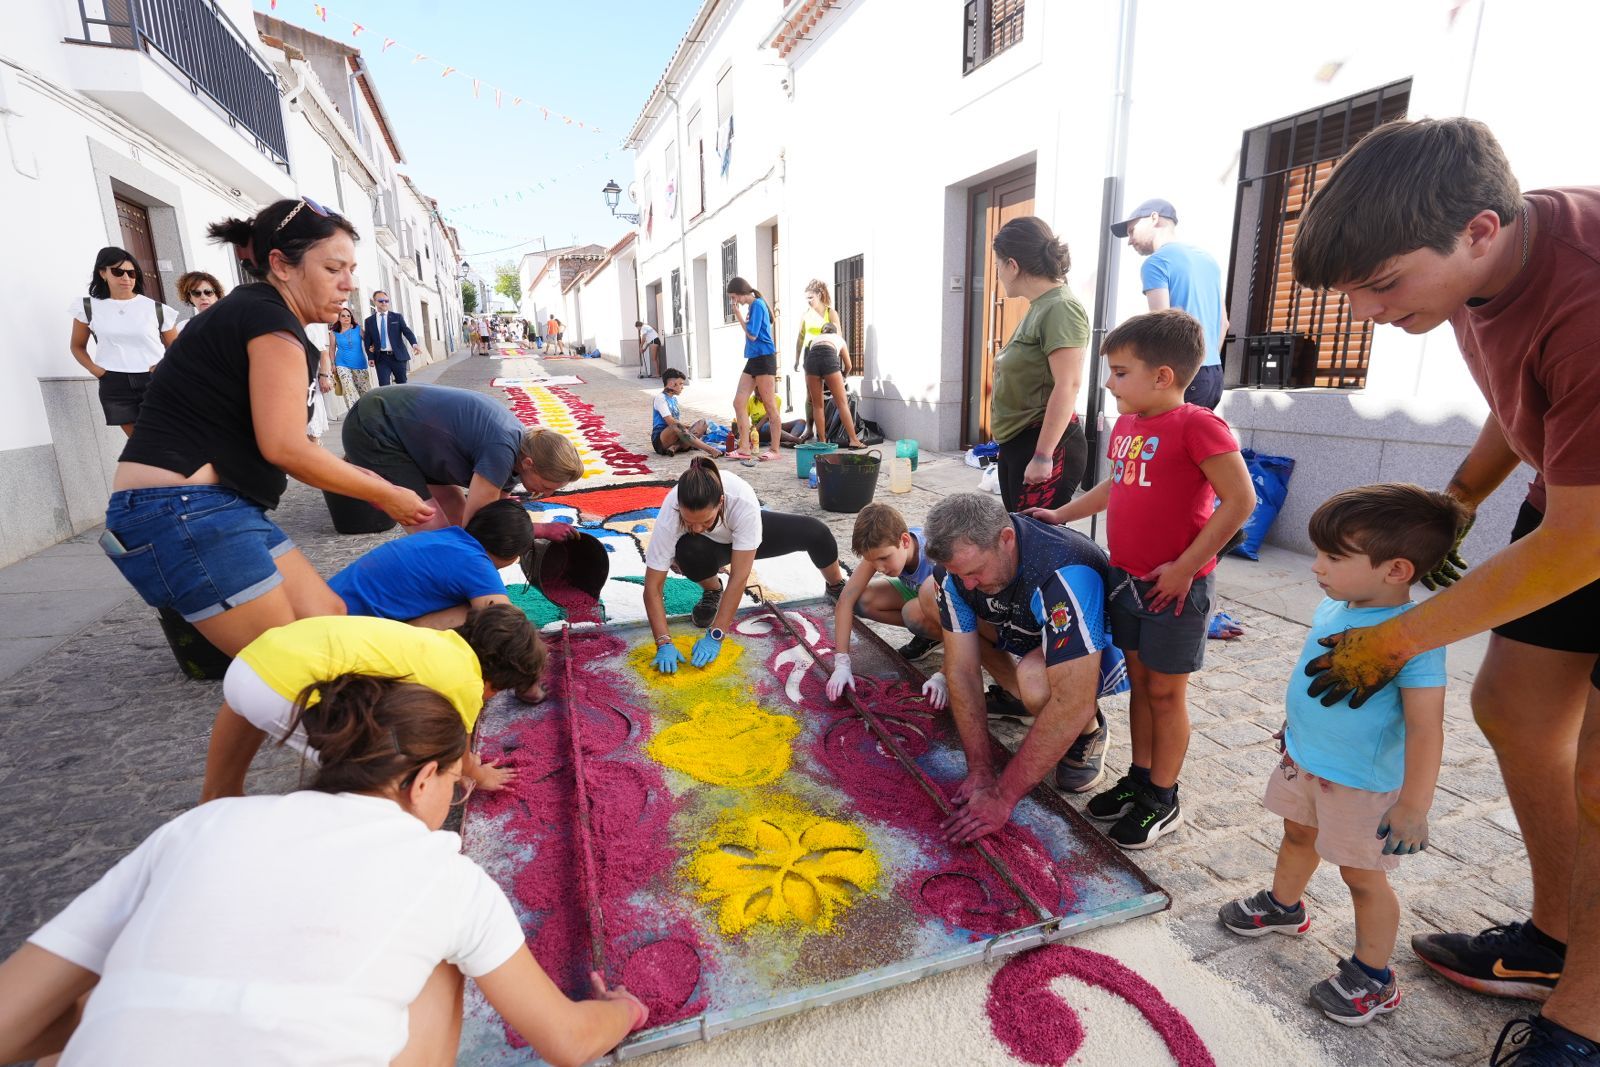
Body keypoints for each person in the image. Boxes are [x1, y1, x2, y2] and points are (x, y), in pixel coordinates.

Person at [1291, 118, 1600, 1061]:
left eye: (1383, 285)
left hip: (1589, 519)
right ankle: (1555, 939)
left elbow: (1584, 542)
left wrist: (1396, 638)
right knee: (1514, 707)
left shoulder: (1590, 298)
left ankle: (1583, 1023)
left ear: (1479, 230)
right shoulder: (1476, 273)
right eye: (1354, 293)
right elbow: (1529, 392)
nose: (1368, 313)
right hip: (1575, 497)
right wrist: (1459, 499)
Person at [0, 674, 646, 1067]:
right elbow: (566, 1041)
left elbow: (10, 1022)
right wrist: (621, 1010)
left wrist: (127, 1016)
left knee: (98, 991)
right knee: (441, 960)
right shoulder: (442, 876)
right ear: (423, 778)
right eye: (455, 783)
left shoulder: (202, 826)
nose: (453, 797)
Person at [101, 198, 434, 660]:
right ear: (280, 265)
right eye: (333, 268)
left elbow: (281, 441)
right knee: (300, 664)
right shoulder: (269, 321)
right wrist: (387, 495)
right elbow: (286, 448)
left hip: (211, 505)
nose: (349, 284)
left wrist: (373, 481)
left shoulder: (258, 313)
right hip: (182, 508)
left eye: (351, 269)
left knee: (328, 617)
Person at [1218, 485, 1462, 1026]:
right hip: (1305, 761)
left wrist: (1414, 806)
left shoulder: (1416, 640)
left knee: (1362, 876)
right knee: (1296, 834)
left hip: (1360, 785)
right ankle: (1284, 906)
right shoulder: (1335, 606)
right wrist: (1296, 729)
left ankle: (1374, 976)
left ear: (1396, 570)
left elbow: (1427, 729)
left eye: (1333, 556)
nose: (1316, 566)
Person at [1029, 310, 1254, 849]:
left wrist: (1184, 568)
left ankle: (1164, 796)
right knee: (1140, 687)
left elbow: (1240, 501)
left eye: (1120, 372)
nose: (1109, 383)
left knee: (1166, 694)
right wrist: (1062, 514)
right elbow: (1116, 486)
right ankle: (1140, 777)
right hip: (1125, 580)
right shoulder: (1129, 425)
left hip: (1176, 589)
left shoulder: (1199, 425)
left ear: (1163, 376)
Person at [906, 492, 1129, 842]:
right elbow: (962, 670)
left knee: (1037, 684)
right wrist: (980, 770)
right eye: (960, 574)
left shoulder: (1063, 570)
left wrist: (1001, 796)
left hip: (1100, 644)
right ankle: (1020, 698)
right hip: (1030, 627)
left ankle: (1090, 730)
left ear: (1006, 539)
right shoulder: (959, 573)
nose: (968, 583)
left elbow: (1072, 701)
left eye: (975, 571)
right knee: (930, 596)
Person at [200, 604, 544, 801]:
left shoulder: (435, 640)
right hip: (280, 692)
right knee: (369, 771)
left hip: (250, 662)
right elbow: (459, 752)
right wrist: (477, 774)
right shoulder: (467, 681)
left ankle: (219, 793)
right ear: (496, 681)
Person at [645, 458, 846, 672]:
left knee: (817, 533)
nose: (696, 528)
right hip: (706, 548)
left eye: (705, 521)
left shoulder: (741, 500)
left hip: (742, 535)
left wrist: (716, 635)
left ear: (721, 502)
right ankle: (712, 590)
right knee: (687, 550)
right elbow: (653, 587)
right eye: (689, 522)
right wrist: (663, 642)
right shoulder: (671, 512)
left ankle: (836, 587)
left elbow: (739, 576)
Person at [342, 384, 584, 532]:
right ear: (529, 464)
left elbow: (492, 508)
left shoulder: (521, 449)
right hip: (374, 427)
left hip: (412, 440)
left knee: (455, 516)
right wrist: (538, 530)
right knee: (431, 525)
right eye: (547, 485)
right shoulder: (502, 449)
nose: (548, 494)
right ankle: (444, 589)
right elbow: (480, 522)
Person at [987, 217, 1090, 513]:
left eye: (997, 266)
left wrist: (1043, 455)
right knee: (1019, 532)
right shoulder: (1041, 306)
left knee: (1035, 536)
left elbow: (1068, 384)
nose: (998, 274)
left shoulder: (1061, 307)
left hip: (1043, 445)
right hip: (1019, 442)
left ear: (1012, 265)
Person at [329, 499, 534, 628]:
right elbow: (506, 628)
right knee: (479, 615)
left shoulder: (447, 537)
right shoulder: (476, 564)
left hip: (323, 606)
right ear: (512, 553)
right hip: (342, 632)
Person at [1111, 198, 1230, 410]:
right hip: (1214, 374)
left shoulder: (1156, 263)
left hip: (1182, 376)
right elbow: (1223, 323)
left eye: (1131, 231)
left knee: (1162, 431)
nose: (1129, 241)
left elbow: (1163, 328)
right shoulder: (1208, 261)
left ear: (1154, 218)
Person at [68, 246, 180, 437]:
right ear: (103, 273)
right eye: (118, 272)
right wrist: (96, 370)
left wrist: (161, 367)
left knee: (166, 439)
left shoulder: (156, 309)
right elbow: (77, 346)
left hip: (154, 380)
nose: (126, 278)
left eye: (131, 273)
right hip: (114, 384)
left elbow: (179, 349)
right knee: (140, 443)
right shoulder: (87, 307)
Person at [827, 503, 940, 682]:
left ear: (905, 541)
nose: (879, 568)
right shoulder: (883, 546)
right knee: (862, 600)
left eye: (884, 558)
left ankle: (937, 632)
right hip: (918, 592)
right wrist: (842, 663)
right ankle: (930, 636)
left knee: (912, 614)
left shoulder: (935, 559)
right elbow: (846, 599)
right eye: (872, 561)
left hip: (944, 604)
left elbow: (961, 615)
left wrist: (943, 676)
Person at [793, 281, 866, 448]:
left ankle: (822, 441)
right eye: (806, 298)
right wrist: (843, 375)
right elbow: (848, 364)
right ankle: (853, 440)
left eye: (811, 297)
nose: (808, 301)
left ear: (819, 295)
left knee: (817, 404)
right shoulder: (809, 317)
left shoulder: (830, 313)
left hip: (812, 358)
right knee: (841, 402)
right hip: (828, 356)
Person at [725, 276, 783, 462]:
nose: (734, 301)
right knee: (739, 402)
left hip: (764, 358)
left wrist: (738, 316)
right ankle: (744, 448)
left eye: (734, 297)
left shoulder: (757, 304)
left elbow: (752, 335)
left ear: (741, 292)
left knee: (770, 405)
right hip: (753, 359)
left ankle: (775, 450)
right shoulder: (753, 306)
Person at [651, 368, 722, 457]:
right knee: (676, 425)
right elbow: (671, 422)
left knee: (703, 423)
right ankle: (710, 450)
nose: (682, 387)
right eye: (680, 384)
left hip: (677, 435)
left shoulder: (673, 399)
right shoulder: (660, 398)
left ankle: (675, 447)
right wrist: (687, 428)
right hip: (661, 440)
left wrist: (690, 428)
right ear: (672, 384)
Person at [363, 290, 418, 386]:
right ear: (374, 302)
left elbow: (406, 331)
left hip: (398, 357)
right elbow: (368, 341)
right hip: (381, 358)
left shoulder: (397, 317)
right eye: (381, 301)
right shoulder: (369, 321)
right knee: (384, 386)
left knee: (402, 384)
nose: (384, 303)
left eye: (386, 301)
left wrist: (414, 344)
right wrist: (370, 357)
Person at [327, 306, 372, 402]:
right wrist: (333, 364)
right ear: (338, 318)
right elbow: (332, 349)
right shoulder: (334, 332)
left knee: (365, 392)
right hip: (342, 364)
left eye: (348, 316)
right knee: (348, 392)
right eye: (343, 316)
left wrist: (373, 351)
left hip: (359, 364)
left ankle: (366, 410)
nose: (346, 318)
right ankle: (353, 411)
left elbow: (368, 342)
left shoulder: (358, 329)